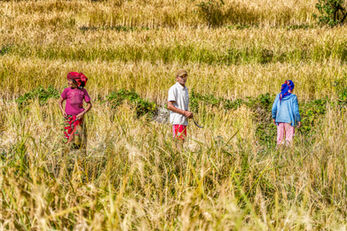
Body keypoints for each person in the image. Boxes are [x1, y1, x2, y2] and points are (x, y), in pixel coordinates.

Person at [58, 72, 92, 150]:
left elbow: (89, 105)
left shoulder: (83, 91)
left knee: (79, 137)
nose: (68, 82)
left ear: (76, 81)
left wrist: (83, 113)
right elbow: (60, 102)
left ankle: (80, 154)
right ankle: (66, 153)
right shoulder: (67, 90)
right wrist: (63, 111)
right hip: (68, 118)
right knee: (67, 137)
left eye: (70, 80)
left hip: (78, 118)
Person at [272, 80, 301, 146]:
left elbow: (274, 108)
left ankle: (279, 154)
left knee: (280, 140)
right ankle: (288, 154)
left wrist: (274, 117)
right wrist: (298, 120)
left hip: (279, 120)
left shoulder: (279, 96)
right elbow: (295, 111)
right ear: (292, 88)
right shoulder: (293, 97)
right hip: (289, 121)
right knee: (289, 140)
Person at [167, 69, 193, 142]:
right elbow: (169, 106)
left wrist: (188, 113)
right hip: (177, 120)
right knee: (179, 142)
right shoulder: (174, 89)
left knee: (182, 141)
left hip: (183, 121)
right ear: (177, 78)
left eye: (185, 76)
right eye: (181, 77)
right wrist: (184, 113)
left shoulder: (185, 89)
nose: (183, 78)